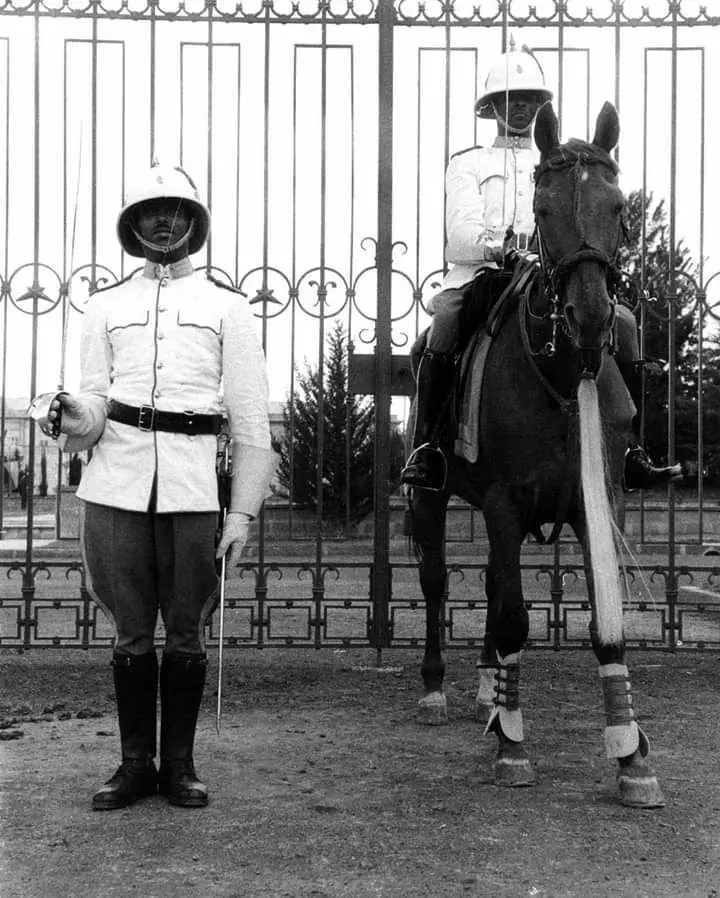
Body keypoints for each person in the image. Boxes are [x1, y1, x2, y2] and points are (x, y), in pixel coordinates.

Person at [36, 163, 274, 811]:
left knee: (187, 633)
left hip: (196, 491)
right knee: (130, 633)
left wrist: (242, 514)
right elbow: (91, 406)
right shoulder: (104, 306)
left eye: (175, 210)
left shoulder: (228, 308)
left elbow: (252, 425)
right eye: (149, 211)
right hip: (114, 488)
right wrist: (67, 413)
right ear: (133, 228)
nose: (163, 220)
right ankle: (134, 765)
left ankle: (181, 766)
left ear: (194, 224)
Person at [401, 46, 681, 493]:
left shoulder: (559, 164)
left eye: (530, 100)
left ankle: (632, 450)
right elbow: (459, 235)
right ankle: (428, 448)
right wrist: (503, 246)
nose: (522, 108)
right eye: (511, 99)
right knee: (447, 322)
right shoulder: (468, 162)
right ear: (491, 107)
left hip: (548, 277)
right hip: (482, 275)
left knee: (624, 324)